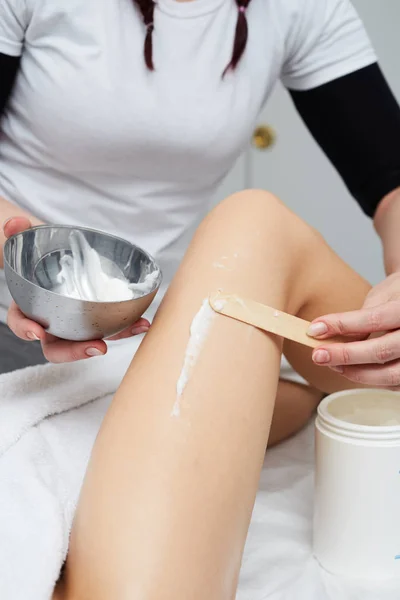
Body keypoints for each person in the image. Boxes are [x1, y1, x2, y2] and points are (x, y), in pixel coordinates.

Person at [1, 0, 400, 386]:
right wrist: (37, 276)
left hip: (163, 320)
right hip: (18, 306)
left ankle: (298, 392)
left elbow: (390, 182)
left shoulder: (301, 8)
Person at [53, 190, 373, 599]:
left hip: (187, 300)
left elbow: (388, 181)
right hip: (43, 327)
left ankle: (306, 388)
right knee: (254, 222)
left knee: (254, 223)